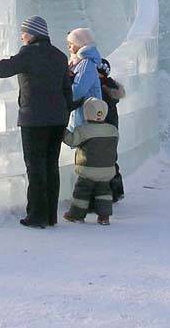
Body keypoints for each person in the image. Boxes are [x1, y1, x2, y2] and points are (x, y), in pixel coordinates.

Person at [0, 16, 72, 229]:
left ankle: (36, 216)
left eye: (24, 32)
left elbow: (1, 69)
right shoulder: (59, 56)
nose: (21, 36)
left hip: (34, 119)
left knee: (35, 167)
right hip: (57, 119)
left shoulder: (28, 54)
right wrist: (65, 112)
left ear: (33, 33)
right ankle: (49, 216)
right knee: (50, 166)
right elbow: (67, 88)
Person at [62, 97, 118, 226]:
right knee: (104, 192)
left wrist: (63, 131)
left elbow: (72, 141)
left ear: (87, 113)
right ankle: (104, 217)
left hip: (88, 169)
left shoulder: (83, 130)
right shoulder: (113, 130)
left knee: (82, 192)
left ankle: (76, 215)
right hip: (107, 169)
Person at [97, 58, 126, 202]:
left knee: (105, 161)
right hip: (113, 128)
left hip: (104, 127)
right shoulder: (111, 87)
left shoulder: (101, 88)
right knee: (111, 159)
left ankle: (110, 192)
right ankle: (117, 190)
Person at [66, 27, 102, 131]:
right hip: (82, 116)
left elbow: (77, 92)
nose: (69, 46)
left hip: (86, 118)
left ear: (80, 43)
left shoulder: (86, 64)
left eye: (71, 43)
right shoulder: (78, 63)